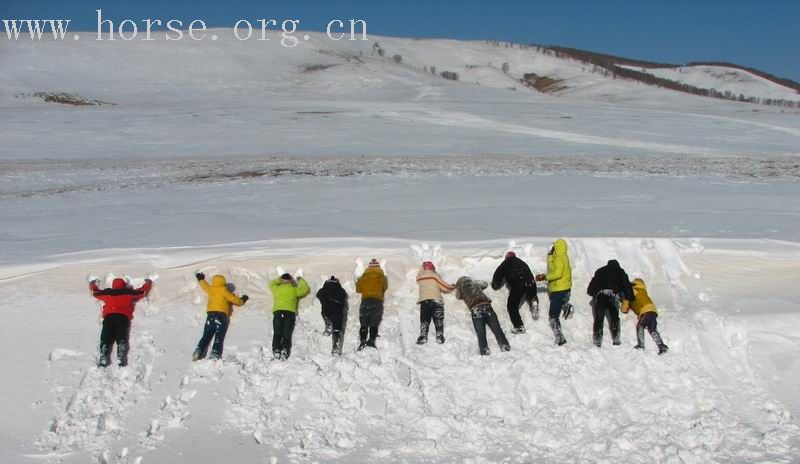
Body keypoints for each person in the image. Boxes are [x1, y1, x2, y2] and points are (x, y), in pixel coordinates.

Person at [89, 275, 154, 367]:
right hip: (122, 317)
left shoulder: (108, 292)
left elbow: (96, 293)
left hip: (109, 317)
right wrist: (148, 283)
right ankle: (121, 354)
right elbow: (142, 291)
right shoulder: (128, 292)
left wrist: (92, 284)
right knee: (121, 335)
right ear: (123, 285)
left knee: (106, 336)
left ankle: (104, 354)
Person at [193, 272, 249, 361]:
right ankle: (215, 353)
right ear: (223, 282)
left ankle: (198, 349)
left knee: (206, 335)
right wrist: (243, 300)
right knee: (219, 336)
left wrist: (200, 279)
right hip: (221, 316)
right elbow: (236, 300)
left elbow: (204, 285)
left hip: (210, 315)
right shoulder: (224, 291)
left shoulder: (211, 289)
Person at [455, 276, 510, 355]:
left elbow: (458, 296)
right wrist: (475, 281)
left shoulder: (461, 288)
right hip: (487, 305)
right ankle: (504, 345)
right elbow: (485, 284)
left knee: (480, 331)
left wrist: (457, 288)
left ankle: (484, 350)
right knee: (496, 327)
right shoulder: (474, 283)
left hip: (475, 308)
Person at [586, 260, 634, 348]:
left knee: (599, 318)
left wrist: (592, 292)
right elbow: (626, 285)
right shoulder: (620, 271)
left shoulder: (600, 271)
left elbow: (592, 284)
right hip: (612, 294)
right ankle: (616, 338)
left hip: (600, 295)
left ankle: (597, 340)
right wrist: (630, 298)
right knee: (615, 317)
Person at [535, 239, 572, 346]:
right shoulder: (563, 257)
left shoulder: (559, 259)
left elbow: (557, 273)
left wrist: (545, 277)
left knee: (553, 316)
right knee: (559, 303)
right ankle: (567, 307)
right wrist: (550, 255)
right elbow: (552, 267)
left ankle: (559, 337)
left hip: (558, 289)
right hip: (564, 288)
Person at [492, 251, 539, 334]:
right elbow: (530, 274)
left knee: (512, 306)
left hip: (518, 283)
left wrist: (495, 284)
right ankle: (533, 300)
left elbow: (497, 275)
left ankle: (519, 326)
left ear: (506, 257)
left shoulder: (505, 263)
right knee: (531, 293)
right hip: (531, 282)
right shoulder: (522, 262)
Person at [269, 273, 311, 360]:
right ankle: (285, 350)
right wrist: (300, 280)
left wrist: (279, 279)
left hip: (278, 312)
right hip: (289, 313)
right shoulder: (294, 290)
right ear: (290, 280)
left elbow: (271, 284)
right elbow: (305, 289)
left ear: (282, 281)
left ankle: (276, 350)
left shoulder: (276, 289)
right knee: (286, 334)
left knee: (277, 333)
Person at [623, 278, 669, 355]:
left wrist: (624, 307)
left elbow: (625, 307)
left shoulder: (633, 290)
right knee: (652, 329)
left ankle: (641, 345)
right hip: (653, 311)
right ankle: (662, 346)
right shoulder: (643, 291)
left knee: (640, 326)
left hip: (646, 310)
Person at [415, 261, 455, 344]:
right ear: (433, 268)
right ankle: (439, 336)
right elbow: (445, 287)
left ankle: (423, 336)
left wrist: (422, 268)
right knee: (438, 319)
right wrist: (452, 287)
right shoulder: (435, 276)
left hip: (424, 301)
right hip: (436, 300)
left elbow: (420, 273)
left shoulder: (419, 278)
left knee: (424, 320)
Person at [355, 258, 388, 350]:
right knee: (374, 323)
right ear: (378, 267)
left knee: (364, 323)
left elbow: (358, 289)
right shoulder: (382, 277)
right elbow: (384, 288)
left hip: (365, 301)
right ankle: (371, 340)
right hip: (377, 301)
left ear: (368, 267)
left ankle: (362, 341)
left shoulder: (364, 277)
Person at [316, 276, 349, 356]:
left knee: (326, 316)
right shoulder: (340, 289)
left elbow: (318, 295)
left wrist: (324, 300)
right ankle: (335, 348)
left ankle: (328, 327)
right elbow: (344, 296)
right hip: (337, 310)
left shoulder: (323, 289)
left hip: (326, 309)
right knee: (337, 328)